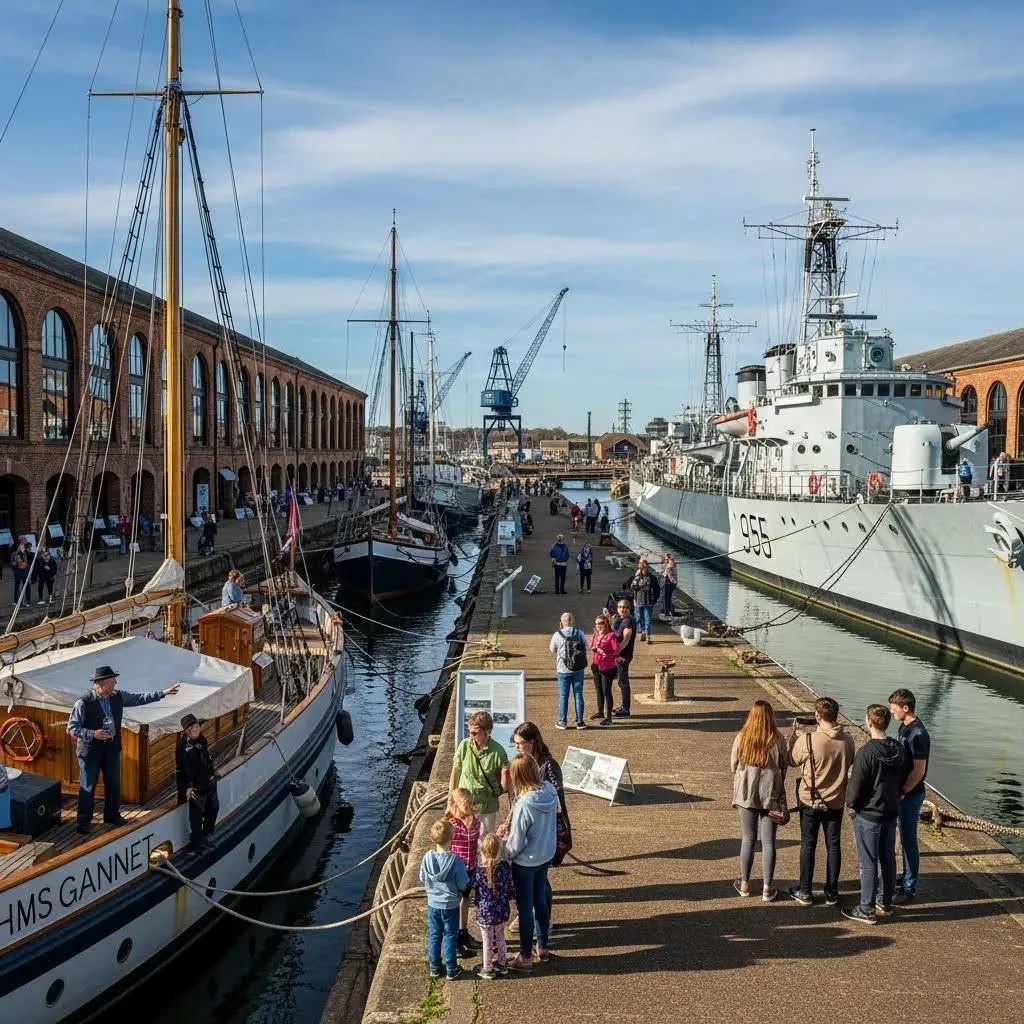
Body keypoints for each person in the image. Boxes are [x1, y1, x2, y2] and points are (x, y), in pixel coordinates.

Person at [67, 666, 180, 834]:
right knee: (88, 786)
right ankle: (83, 821)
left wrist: (163, 693)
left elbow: (140, 698)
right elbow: (71, 728)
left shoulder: (117, 696)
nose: (115, 683)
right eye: (112, 681)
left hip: (111, 748)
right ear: (100, 684)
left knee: (114, 783)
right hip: (90, 751)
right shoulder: (83, 702)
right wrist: (93, 734)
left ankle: (112, 815)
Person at [499, 723, 570, 941]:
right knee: (537, 882)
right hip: (525, 822)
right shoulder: (522, 762)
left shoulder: (548, 767)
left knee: (541, 882)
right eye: (515, 744)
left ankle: (541, 923)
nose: (517, 748)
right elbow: (515, 797)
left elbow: (557, 803)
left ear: (533, 742)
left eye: (521, 744)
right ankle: (539, 929)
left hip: (544, 831)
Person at [786, 697, 856, 906]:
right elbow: (850, 761)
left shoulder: (808, 740)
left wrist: (794, 739)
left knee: (808, 844)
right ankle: (832, 891)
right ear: (836, 715)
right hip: (836, 799)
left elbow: (791, 760)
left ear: (817, 716)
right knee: (833, 845)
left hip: (810, 798)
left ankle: (805, 890)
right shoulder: (848, 740)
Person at [843, 704, 906, 923]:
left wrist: (852, 806)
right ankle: (885, 901)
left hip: (868, 813)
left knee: (868, 862)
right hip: (890, 810)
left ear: (869, 722)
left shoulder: (866, 753)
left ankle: (866, 908)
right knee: (888, 858)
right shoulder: (898, 749)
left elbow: (855, 788)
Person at [502, 754, 558, 971]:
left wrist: (503, 850)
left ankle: (525, 956)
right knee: (541, 900)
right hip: (545, 854)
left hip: (526, 862)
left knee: (525, 907)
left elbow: (516, 842)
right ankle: (542, 946)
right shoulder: (550, 790)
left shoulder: (524, 803)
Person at [730, 699, 787, 902]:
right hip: (771, 794)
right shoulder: (777, 739)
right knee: (769, 842)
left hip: (746, 794)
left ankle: (744, 883)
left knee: (748, 838)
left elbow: (733, 765)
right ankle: (767, 887)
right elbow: (784, 765)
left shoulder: (742, 737)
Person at [889, 688, 931, 903]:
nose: (891, 711)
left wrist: (904, 791)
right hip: (903, 791)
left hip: (911, 795)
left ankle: (909, 888)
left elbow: (919, 771)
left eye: (894, 708)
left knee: (909, 840)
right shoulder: (904, 727)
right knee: (903, 838)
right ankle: (905, 877)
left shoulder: (919, 734)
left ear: (905, 708)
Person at [420, 819, 470, 981]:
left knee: (435, 935)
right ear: (451, 838)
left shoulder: (427, 857)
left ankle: (435, 967)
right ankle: (451, 969)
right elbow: (463, 884)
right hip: (450, 905)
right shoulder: (456, 861)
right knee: (450, 935)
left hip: (433, 904)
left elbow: (422, 877)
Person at [450, 711, 508, 839]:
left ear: (488, 731)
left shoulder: (498, 752)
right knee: (461, 839)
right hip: (463, 804)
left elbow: (504, 783)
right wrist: (451, 799)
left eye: (475, 733)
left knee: (485, 840)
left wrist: (501, 785)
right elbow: (456, 772)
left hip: (487, 807)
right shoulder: (464, 745)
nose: (471, 735)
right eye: (470, 731)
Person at [471, 834, 514, 979]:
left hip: (485, 913)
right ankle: (502, 964)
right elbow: (510, 887)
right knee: (501, 938)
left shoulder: (479, 872)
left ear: (483, 851)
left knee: (487, 941)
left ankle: (487, 967)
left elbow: (473, 886)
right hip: (502, 911)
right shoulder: (505, 868)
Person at [446, 788, 482, 957]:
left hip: (471, 868)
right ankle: (454, 939)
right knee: (455, 902)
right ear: (456, 805)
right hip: (456, 870)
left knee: (466, 899)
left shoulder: (475, 821)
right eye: (465, 804)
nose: (469, 806)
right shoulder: (451, 825)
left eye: (470, 803)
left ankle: (463, 932)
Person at [176, 713, 219, 851]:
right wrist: (186, 788)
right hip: (195, 786)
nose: (195, 729)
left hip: (209, 781)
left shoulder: (201, 739)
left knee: (213, 809)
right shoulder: (183, 747)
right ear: (187, 732)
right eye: (191, 728)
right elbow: (182, 769)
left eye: (196, 726)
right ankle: (197, 843)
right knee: (196, 817)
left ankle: (205, 835)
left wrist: (212, 774)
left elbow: (206, 757)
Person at [549, 612, 588, 730]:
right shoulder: (579, 633)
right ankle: (580, 722)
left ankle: (563, 721)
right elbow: (586, 646)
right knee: (578, 694)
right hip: (578, 668)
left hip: (562, 669)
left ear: (561, 623)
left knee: (563, 695)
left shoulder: (557, 634)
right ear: (572, 622)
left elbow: (552, 649)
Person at [590, 614, 620, 726]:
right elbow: (592, 646)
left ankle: (609, 718)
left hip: (607, 667)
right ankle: (600, 712)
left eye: (601, 623)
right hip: (596, 665)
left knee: (606, 691)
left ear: (606, 623)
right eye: (596, 624)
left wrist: (606, 655)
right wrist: (595, 649)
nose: (598, 626)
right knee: (599, 690)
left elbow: (616, 651)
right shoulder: (596, 634)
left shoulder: (611, 636)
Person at [611, 598, 636, 718]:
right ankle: (623, 706)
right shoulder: (619, 619)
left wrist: (615, 653)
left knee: (623, 682)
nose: (623, 609)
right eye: (620, 607)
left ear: (629, 609)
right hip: (619, 655)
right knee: (621, 681)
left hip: (623, 656)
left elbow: (625, 641)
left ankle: (626, 708)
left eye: (625, 607)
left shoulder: (628, 622)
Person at [627, 557, 660, 643]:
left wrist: (654, 599)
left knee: (647, 619)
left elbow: (657, 589)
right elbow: (630, 586)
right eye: (641, 564)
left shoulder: (652, 577)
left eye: (644, 564)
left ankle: (648, 636)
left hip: (648, 602)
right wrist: (636, 577)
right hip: (638, 601)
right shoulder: (636, 577)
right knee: (639, 618)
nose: (643, 566)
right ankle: (643, 632)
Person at [11, 540, 29, 604]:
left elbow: (27, 561)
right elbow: (14, 563)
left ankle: (27, 600)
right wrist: (19, 564)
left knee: (26, 585)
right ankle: (16, 601)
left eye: (23, 547)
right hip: (18, 571)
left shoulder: (25, 553)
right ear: (18, 547)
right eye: (21, 547)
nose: (22, 548)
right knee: (17, 586)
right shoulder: (15, 554)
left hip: (25, 571)